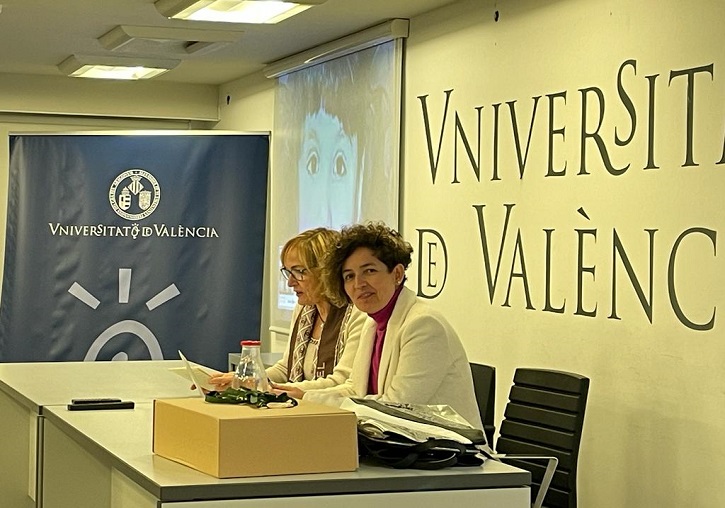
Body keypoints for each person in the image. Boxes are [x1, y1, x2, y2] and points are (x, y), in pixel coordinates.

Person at [274, 222, 483, 429]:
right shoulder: (373, 323)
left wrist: (310, 398)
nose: (359, 284)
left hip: (442, 447)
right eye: (349, 276)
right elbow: (354, 390)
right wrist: (302, 395)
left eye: (369, 271)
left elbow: (395, 408)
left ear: (397, 274)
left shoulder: (423, 325)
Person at [209, 228, 366, 391]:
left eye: (299, 272)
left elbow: (341, 382)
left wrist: (268, 387)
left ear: (326, 272)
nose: (290, 282)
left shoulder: (357, 313)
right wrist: (243, 379)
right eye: (288, 272)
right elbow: (285, 369)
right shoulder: (305, 309)